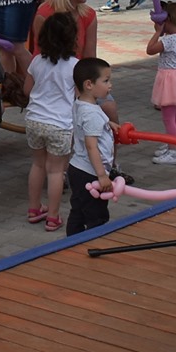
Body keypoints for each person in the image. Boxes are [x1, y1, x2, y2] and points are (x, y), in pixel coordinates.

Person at [24, 7, 79, 232]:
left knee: (38, 164)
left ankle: (34, 208)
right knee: (56, 171)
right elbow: (78, 96)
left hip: (35, 120)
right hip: (60, 124)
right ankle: (54, 217)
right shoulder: (74, 66)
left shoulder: (37, 61)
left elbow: (28, 89)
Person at [65, 58, 118, 236]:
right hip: (90, 173)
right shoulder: (92, 114)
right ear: (89, 84)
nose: (110, 85)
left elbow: (86, 123)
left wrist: (107, 123)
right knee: (97, 217)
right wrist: (102, 175)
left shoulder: (81, 103)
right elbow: (91, 146)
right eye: (106, 80)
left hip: (78, 169)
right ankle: (92, 246)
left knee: (79, 212)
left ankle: (70, 245)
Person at [145, 3, 176, 166]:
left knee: (168, 118)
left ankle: (173, 152)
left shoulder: (170, 39)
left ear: (168, 20)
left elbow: (150, 49)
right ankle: (174, 143)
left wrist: (157, 33)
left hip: (170, 81)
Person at [31, 0, 98, 61]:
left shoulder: (89, 15)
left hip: (77, 73)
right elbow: (41, 55)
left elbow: (90, 58)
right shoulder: (44, 14)